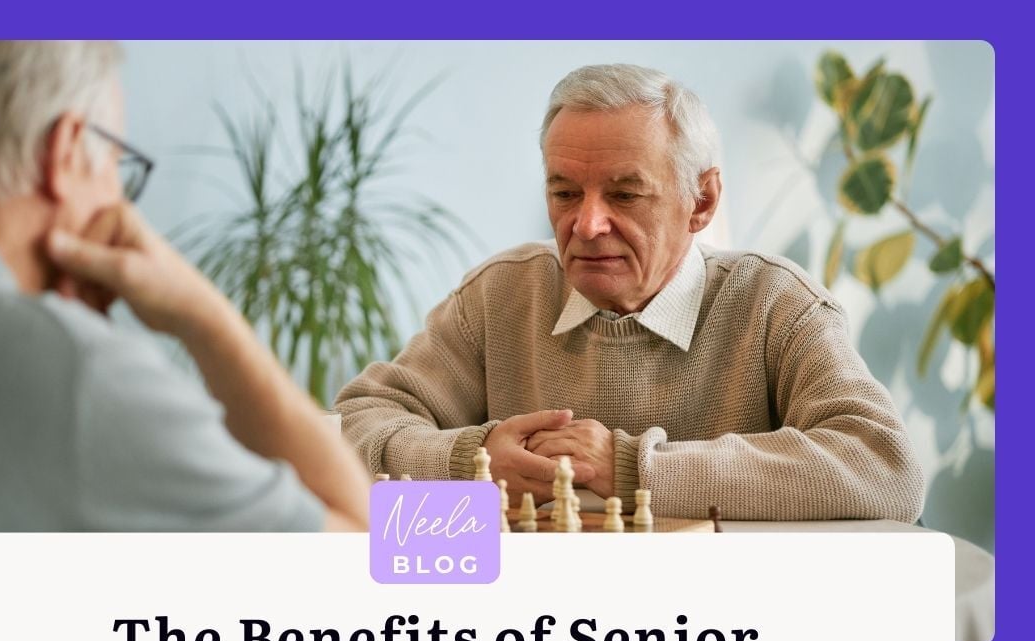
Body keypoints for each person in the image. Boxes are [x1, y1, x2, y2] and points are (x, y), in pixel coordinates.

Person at [0, 41, 369, 641]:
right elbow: (364, 563)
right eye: (114, 162)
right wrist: (205, 316)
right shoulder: (69, 370)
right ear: (64, 153)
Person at [335, 63, 925, 523]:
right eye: (565, 194)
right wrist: (468, 460)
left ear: (701, 202)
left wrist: (630, 468)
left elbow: (885, 466)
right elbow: (353, 423)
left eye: (624, 194)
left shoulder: (775, 303)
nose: (586, 225)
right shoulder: (502, 294)